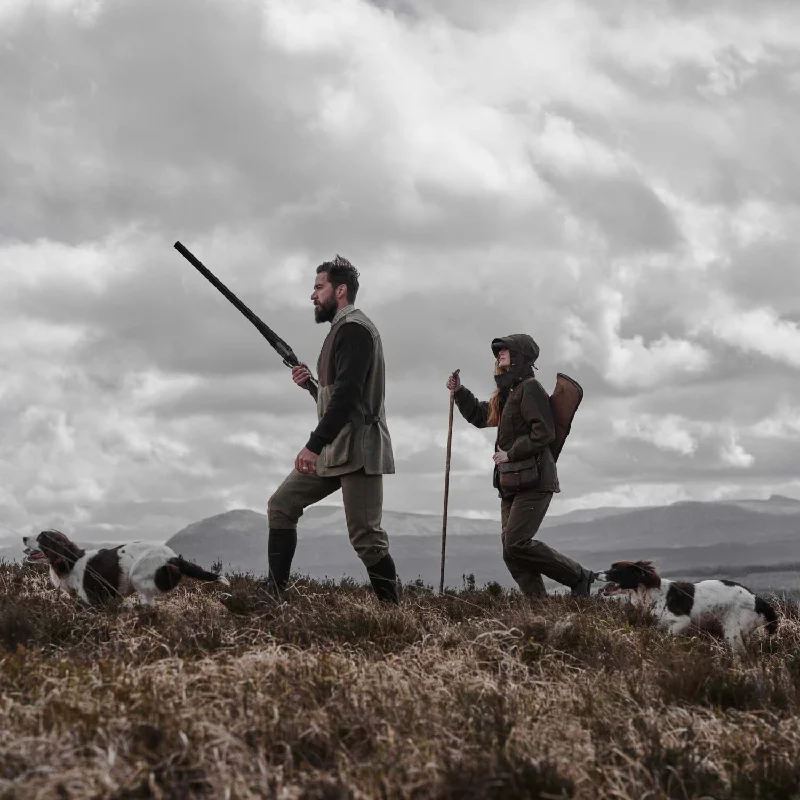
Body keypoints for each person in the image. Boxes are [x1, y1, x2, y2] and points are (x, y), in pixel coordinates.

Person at [266, 256, 399, 604]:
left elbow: (349, 396)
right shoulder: (340, 331)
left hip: (358, 450)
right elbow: (338, 395)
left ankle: (394, 612)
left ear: (340, 291)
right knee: (281, 505)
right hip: (336, 446)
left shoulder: (355, 329)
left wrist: (313, 445)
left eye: (318, 287)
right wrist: (311, 386)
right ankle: (273, 596)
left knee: (366, 537)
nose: (312, 295)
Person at [445, 334, 596, 597]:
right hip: (511, 482)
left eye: (506, 350)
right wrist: (459, 392)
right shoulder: (509, 392)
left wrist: (511, 454)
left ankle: (579, 576)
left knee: (516, 542)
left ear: (520, 356)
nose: (500, 354)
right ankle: (539, 611)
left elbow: (545, 432)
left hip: (535, 481)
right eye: (499, 351)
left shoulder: (530, 388)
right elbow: (482, 416)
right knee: (511, 552)